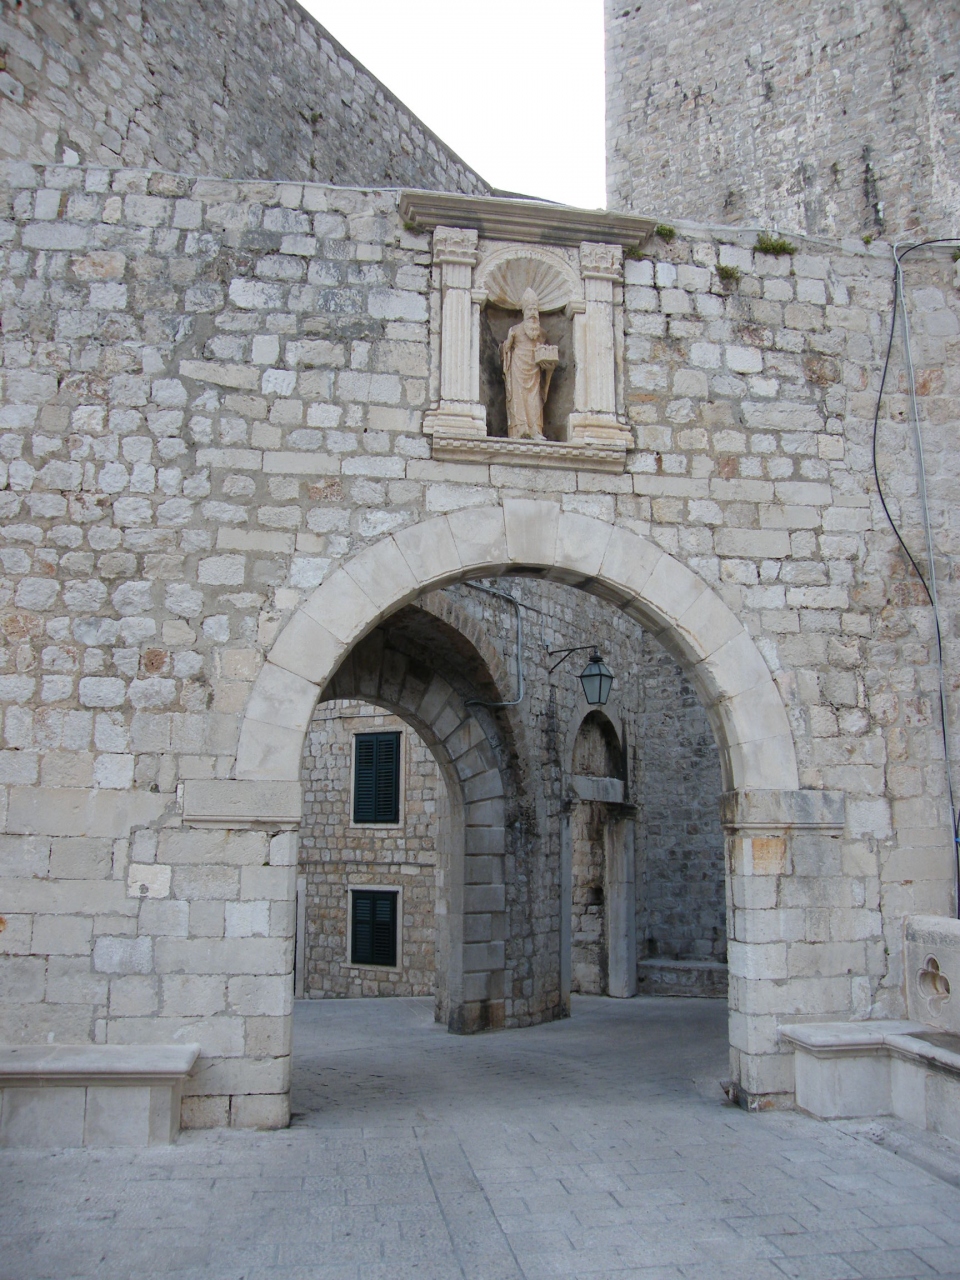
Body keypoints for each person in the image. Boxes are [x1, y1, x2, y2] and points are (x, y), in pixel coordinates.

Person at [501, 287, 556, 439]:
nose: (533, 313)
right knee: (518, 399)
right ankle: (520, 429)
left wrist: (549, 366)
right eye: (530, 310)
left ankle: (536, 430)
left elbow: (547, 351)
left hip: (535, 371)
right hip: (517, 369)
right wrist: (509, 342)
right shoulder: (515, 330)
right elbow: (505, 351)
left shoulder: (542, 333)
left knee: (534, 400)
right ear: (524, 312)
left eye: (535, 310)